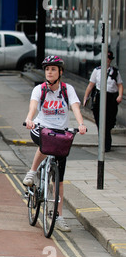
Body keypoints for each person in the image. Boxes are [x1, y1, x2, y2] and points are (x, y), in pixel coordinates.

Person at [23, 56, 87, 232]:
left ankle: (58, 216)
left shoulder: (68, 89)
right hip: (40, 129)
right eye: (47, 69)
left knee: (58, 182)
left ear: (60, 72)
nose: (49, 72)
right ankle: (32, 172)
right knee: (45, 143)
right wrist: (29, 119)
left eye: (53, 69)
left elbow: (75, 108)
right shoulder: (40, 89)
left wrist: (81, 124)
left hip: (60, 133)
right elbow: (33, 107)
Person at [83, 51, 124, 152]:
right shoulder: (97, 71)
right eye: (106, 58)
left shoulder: (115, 72)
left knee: (109, 121)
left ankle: (105, 142)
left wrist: (120, 95)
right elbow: (90, 85)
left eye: (109, 59)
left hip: (110, 98)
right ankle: (105, 144)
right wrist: (85, 97)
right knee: (99, 120)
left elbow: (120, 85)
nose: (107, 60)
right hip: (99, 96)